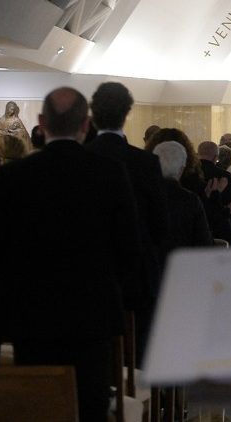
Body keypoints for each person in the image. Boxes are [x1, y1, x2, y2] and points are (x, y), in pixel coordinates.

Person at [0, 87, 141, 422]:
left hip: (30, 318)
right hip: (92, 316)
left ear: (41, 123)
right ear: (86, 124)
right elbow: (129, 248)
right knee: (89, 406)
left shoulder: (15, 176)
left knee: (38, 408)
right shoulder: (109, 173)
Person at [86, 81, 169, 366]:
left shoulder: (82, 160)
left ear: (93, 114)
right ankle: (141, 408)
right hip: (136, 283)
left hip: (89, 282)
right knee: (137, 360)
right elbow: (160, 228)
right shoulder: (144, 163)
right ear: (127, 114)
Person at [152, 141, 213, 250]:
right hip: (183, 263)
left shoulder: (141, 194)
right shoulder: (190, 200)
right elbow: (204, 242)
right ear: (182, 169)